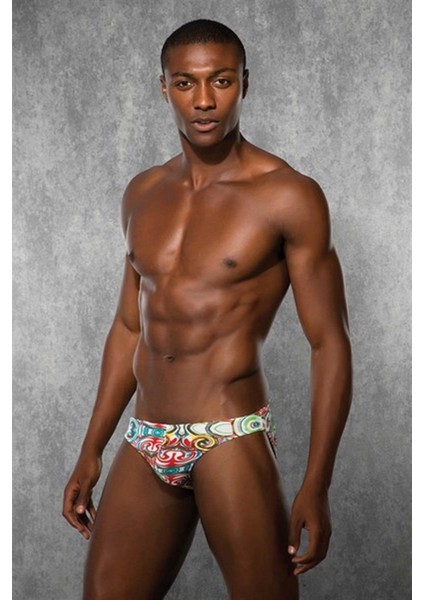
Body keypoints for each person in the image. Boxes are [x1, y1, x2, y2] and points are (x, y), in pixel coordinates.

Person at [62, 19, 352, 600]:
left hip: (229, 433)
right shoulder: (142, 193)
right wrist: (91, 448)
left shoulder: (287, 195)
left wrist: (316, 484)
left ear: (245, 82)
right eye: (185, 83)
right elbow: (129, 327)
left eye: (220, 81)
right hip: (147, 435)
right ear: (163, 87)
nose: (203, 100)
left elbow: (330, 343)